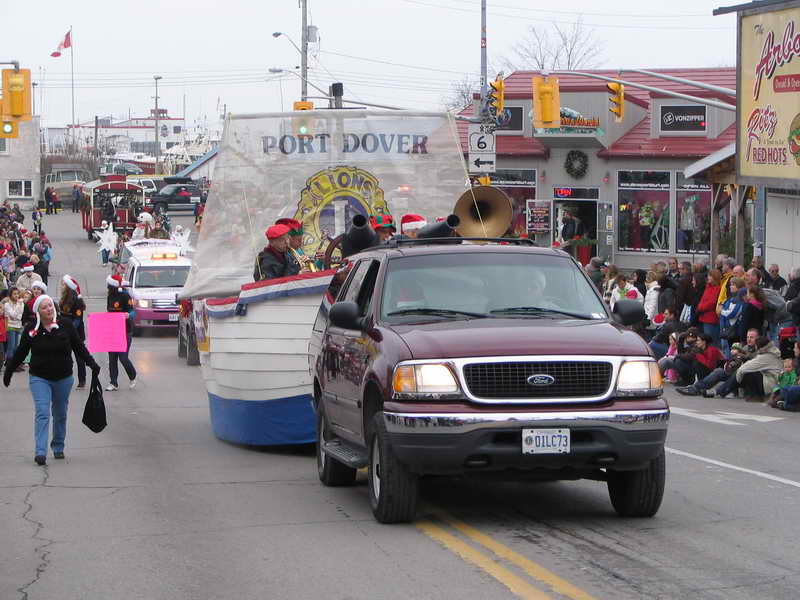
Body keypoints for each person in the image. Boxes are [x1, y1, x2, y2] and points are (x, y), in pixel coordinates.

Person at [2, 294, 101, 465]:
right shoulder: (32, 329)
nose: (49, 309)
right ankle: (40, 451)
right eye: (44, 307)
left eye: (50, 306)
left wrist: (92, 363)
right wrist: (9, 371)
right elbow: (21, 352)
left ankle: (58, 445)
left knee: (60, 413)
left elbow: (79, 347)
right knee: (42, 412)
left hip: (63, 378)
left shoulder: (65, 325)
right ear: (38, 311)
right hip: (39, 378)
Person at [677, 342, 750, 397]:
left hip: (743, 376)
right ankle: (696, 388)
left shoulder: (743, 355)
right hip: (732, 373)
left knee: (733, 372)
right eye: (748, 337)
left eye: (751, 337)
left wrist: (737, 360)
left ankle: (716, 391)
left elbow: (740, 361)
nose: (749, 339)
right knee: (719, 371)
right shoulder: (745, 349)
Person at [105, 274, 137, 391]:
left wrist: (128, 315)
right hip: (113, 331)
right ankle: (113, 382)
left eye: (109, 285)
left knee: (123, 357)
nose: (108, 287)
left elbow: (133, 312)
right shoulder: (110, 296)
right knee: (112, 358)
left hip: (125, 331)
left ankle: (132, 376)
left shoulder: (125, 296)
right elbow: (109, 312)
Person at [735, 336, 782, 402]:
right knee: (748, 372)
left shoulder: (766, 356)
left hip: (773, 385)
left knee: (749, 374)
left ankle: (757, 396)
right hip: (774, 381)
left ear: (758, 346)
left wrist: (738, 380)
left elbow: (743, 369)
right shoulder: (772, 352)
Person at [60, 275, 88, 389]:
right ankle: (65, 379)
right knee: (65, 358)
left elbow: (77, 320)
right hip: (65, 334)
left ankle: (82, 380)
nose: (61, 286)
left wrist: (69, 330)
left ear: (68, 286)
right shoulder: (63, 299)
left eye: (63, 284)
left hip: (77, 335)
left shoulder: (77, 301)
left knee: (79, 358)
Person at [696, 269, 722, 345]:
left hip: (711, 318)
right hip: (704, 316)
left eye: (710, 276)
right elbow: (703, 299)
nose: (708, 277)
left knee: (711, 340)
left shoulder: (717, 288)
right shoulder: (708, 287)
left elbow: (712, 302)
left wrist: (700, 308)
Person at [3, 287, 24, 371]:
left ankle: (15, 364)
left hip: (18, 326)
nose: (16, 295)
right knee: (11, 346)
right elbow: (13, 315)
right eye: (14, 294)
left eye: (17, 293)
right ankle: (9, 364)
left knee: (16, 347)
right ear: (10, 295)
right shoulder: (7, 304)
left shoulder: (21, 304)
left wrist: (15, 315)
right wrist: (18, 306)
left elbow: (19, 316)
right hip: (10, 326)